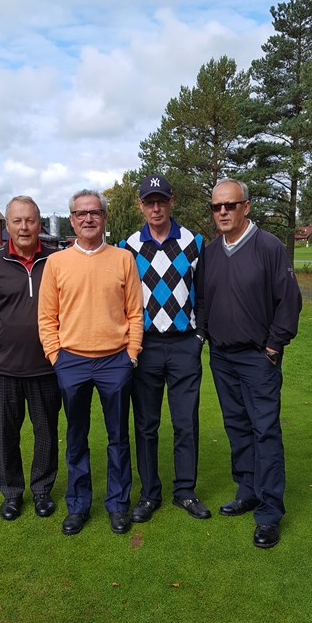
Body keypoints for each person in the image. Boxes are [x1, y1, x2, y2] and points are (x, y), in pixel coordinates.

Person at [38, 189, 143, 536]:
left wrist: (131, 354)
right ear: (71, 220)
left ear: (104, 218)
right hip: (72, 361)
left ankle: (117, 505)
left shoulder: (123, 259)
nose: (88, 218)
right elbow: (46, 317)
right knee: (76, 437)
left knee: (118, 438)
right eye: (81, 213)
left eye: (94, 212)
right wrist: (56, 357)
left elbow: (135, 311)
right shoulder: (56, 263)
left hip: (115, 361)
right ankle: (78, 506)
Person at [204, 179, 302, 548]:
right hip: (222, 357)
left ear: (246, 206)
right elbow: (204, 300)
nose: (223, 212)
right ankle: (247, 491)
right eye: (216, 207)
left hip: (258, 357)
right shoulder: (211, 252)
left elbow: (289, 302)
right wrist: (206, 334)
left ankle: (270, 512)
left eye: (230, 205)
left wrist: (274, 346)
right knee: (237, 428)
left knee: (265, 431)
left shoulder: (269, 247)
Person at [0, 195, 62, 520]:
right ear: (7, 225)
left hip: (47, 367)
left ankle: (42, 490)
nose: (24, 227)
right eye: (17, 221)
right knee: (6, 434)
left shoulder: (56, 261)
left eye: (30, 220)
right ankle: (11, 493)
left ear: (39, 224)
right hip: (3, 369)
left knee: (46, 432)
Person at [121, 174, 211, 522]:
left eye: (161, 201)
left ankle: (185, 491)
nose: (155, 208)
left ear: (171, 202)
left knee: (186, 422)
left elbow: (204, 295)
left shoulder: (193, 242)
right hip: (145, 347)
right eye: (149, 202)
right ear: (140, 206)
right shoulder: (128, 246)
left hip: (184, 344)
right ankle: (149, 494)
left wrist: (199, 336)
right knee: (146, 425)